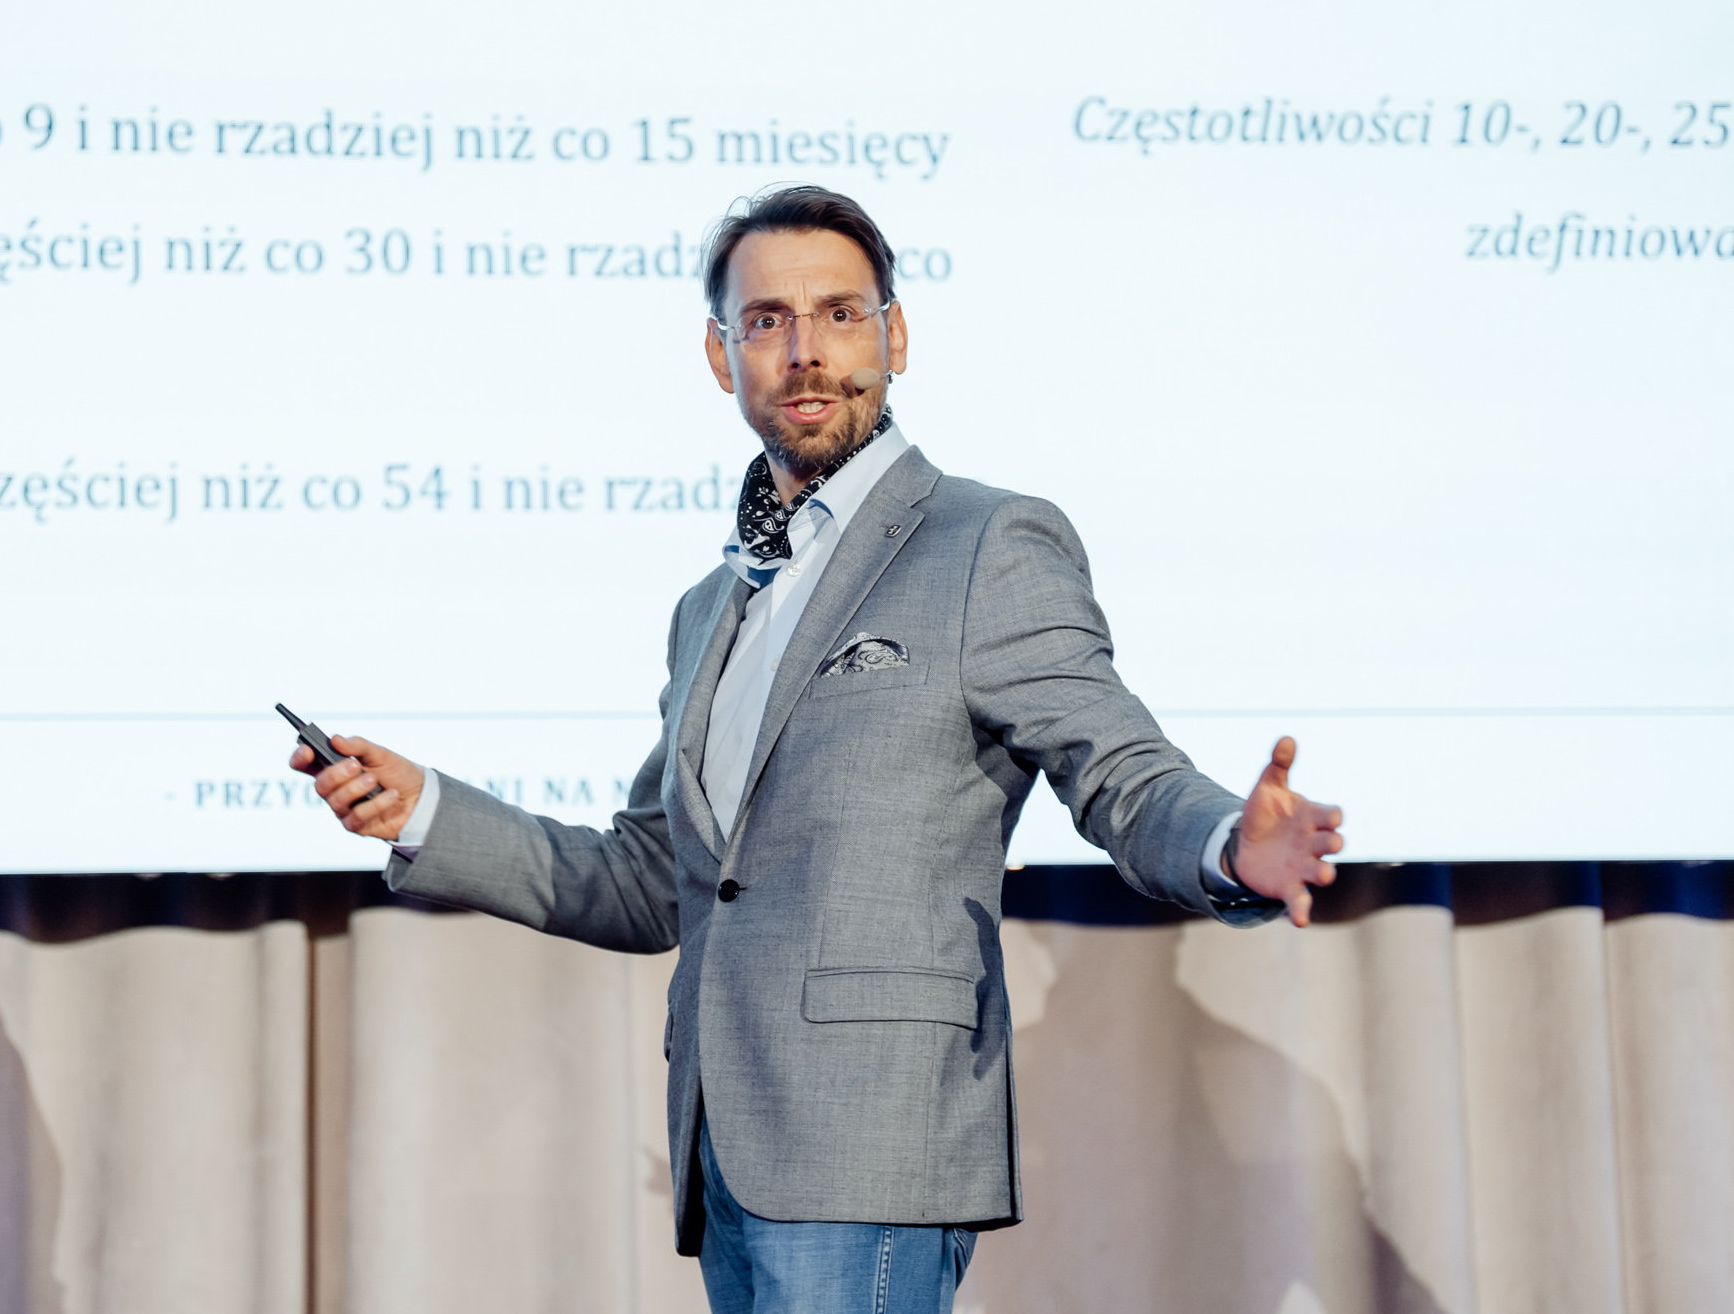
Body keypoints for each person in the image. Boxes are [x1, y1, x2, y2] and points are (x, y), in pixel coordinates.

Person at [291, 185, 1344, 1314]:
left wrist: (1230, 844)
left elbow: (1121, 771)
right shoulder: (710, 606)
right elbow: (651, 879)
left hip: (872, 1136)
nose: (805, 352)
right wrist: (424, 810)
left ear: (895, 337)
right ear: (721, 355)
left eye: (840, 315)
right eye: (767, 321)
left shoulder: (985, 542)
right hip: (727, 1144)